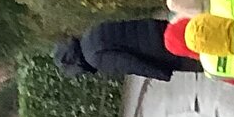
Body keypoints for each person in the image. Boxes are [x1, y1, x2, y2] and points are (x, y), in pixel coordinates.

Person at [51, 19, 202, 82]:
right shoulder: (91, 32)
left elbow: (130, 64)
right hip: (159, 28)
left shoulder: (94, 58)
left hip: (163, 52)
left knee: (208, 61)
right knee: (202, 34)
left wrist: (160, 73)